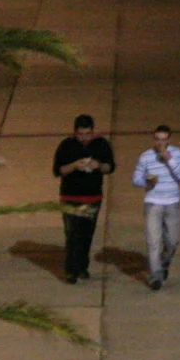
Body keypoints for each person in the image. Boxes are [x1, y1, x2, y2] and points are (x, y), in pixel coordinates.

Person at [52, 115, 114, 283]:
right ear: (75, 132)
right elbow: (58, 170)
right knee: (72, 234)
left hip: (93, 197)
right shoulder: (66, 146)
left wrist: (98, 165)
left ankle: (82, 266)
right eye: (80, 134)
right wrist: (74, 166)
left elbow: (110, 167)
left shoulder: (101, 144)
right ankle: (71, 270)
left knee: (87, 234)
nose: (84, 138)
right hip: (70, 197)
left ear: (93, 131)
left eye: (87, 134)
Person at [130, 124, 180, 290]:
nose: (161, 143)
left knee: (172, 241)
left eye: (164, 139)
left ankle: (164, 262)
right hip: (153, 202)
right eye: (157, 139)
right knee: (153, 242)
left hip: (172, 203)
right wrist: (147, 182)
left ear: (169, 140)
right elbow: (136, 179)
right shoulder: (146, 157)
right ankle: (155, 276)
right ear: (153, 140)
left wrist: (169, 158)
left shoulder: (178, 153)